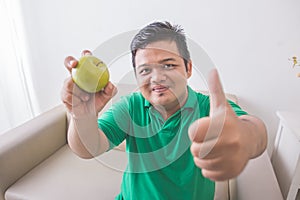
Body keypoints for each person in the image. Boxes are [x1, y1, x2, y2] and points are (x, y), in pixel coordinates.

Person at [61, 21, 267, 200]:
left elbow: (255, 132)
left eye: (168, 65)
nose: (157, 78)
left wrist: (246, 137)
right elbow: (88, 149)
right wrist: (82, 115)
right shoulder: (131, 107)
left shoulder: (208, 107)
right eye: (145, 70)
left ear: (188, 68)